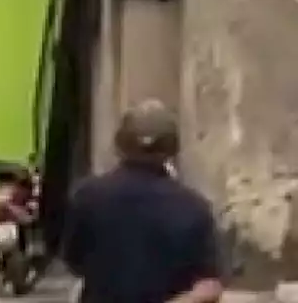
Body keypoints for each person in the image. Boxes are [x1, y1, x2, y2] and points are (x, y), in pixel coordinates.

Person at [63, 99, 224, 303]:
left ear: (119, 144)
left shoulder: (86, 196)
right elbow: (210, 284)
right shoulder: (194, 207)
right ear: (172, 148)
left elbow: (74, 261)